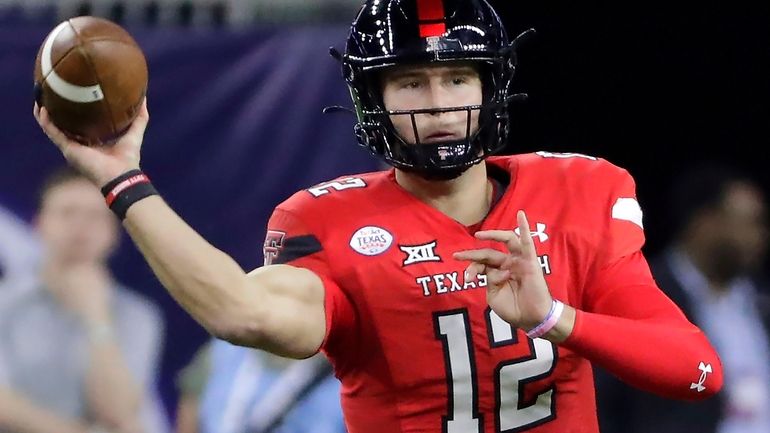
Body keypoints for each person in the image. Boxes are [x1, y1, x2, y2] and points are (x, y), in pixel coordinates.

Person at [34, 1, 723, 432]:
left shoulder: (580, 190)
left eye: (457, 78)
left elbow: (696, 369)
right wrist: (123, 178)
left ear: (491, 88)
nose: (437, 103)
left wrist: (552, 318)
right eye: (409, 82)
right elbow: (242, 311)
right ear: (374, 100)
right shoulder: (328, 219)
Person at [595, 163, 770, 433]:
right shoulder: (641, 290)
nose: (759, 237)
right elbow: (606, 400)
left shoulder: (758, 301)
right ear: (705, 222)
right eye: (748, 223)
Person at [0, 167, 169, 433]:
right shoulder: (5, 303)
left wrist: (96, 318)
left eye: (94, 217)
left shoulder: (138, 315)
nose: (80, 228)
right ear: (39, 224)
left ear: (114, 234)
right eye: (67, 213)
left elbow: (119, 413)